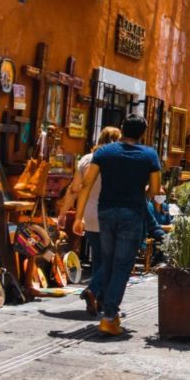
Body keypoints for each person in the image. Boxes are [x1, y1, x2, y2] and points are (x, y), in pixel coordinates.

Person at [73, 115, 162, 336]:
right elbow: (155, 188)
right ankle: (110, 316)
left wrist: (78, 216)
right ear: (142, 133)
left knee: (110, 259)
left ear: (122, 129)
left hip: (105, 212)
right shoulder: (149, 155)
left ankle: (97, 293)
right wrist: (142, 196)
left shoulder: (104, 152)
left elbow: (86, 184)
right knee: (122, 264)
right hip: (131, 213)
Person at [59, 126, 121, 311]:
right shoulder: (117, 160)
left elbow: (73, 189)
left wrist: (63, 213)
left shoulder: (86, 160)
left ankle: (98, 299)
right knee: (112, 259)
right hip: (109, 213)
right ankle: (95, 292)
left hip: (88, 215)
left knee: (99, 259)